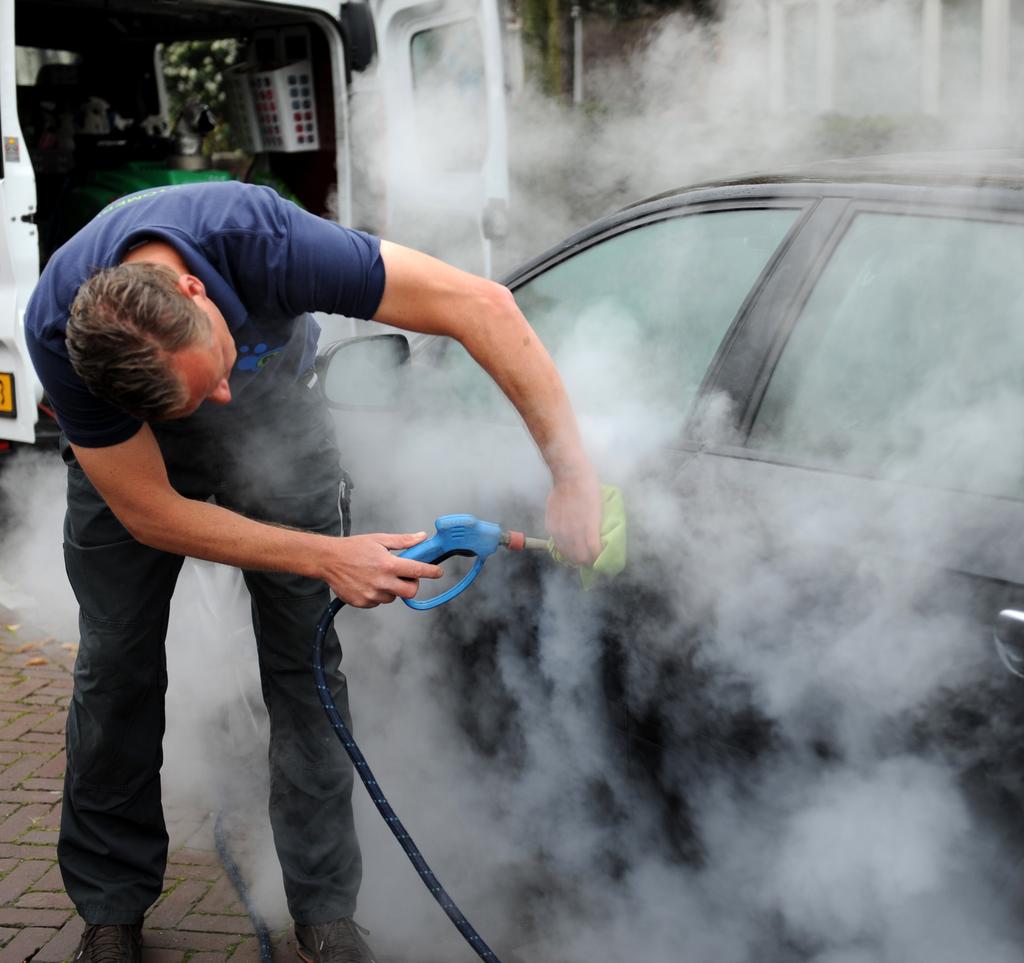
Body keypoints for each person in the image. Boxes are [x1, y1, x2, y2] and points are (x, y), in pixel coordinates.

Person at [23, 180, 603, 963]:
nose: (218, 396)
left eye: (217, 367)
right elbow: (150, 513)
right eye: (199, 396)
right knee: (115, 667)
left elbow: (484, 307)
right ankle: (110, 908)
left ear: (194, 288)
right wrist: (330, 555)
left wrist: (572, 476)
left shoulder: (266, 241)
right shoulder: (61, 327)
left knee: (305, 666)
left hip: (282, 424)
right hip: (135, 466)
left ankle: (326, 913)